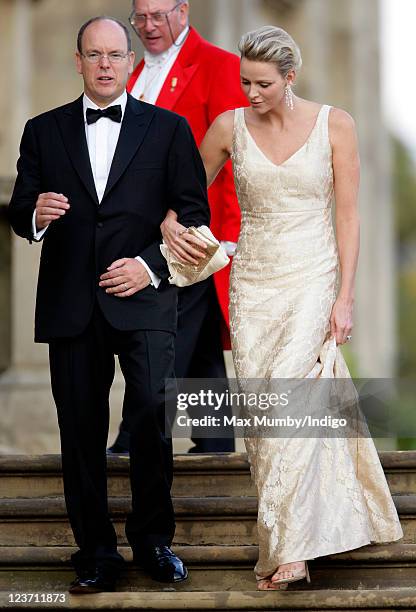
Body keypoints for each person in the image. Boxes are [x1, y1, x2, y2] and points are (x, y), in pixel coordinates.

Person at [159, 25, 404, 590]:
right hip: (254, 282)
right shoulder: (228, 127)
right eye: (245, 81)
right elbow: (188, 193)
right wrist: (173, 219)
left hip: (313, 275)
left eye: (264, 83)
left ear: (290, 77)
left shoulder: (335, 124)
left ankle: (291, 550)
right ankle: (295, 533)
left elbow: (348, 215)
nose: (252, 93)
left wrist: (345, 296)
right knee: (267, 414)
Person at [8, 16, 210, 593]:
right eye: (93, 54)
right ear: (78, 61)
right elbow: (21, 209)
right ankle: (96, 552)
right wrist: (35, 216)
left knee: (150, 409)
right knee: (79, 428)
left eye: (115, 54)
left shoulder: (169, 130)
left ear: (129, 62)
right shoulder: (41, 130)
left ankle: (153, 541)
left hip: (145, 296)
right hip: (71, 302)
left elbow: (193, 213)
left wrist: (148, 265)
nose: (104, 63)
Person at [108, 0, 248, 454]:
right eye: (140, 18)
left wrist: (227, 235)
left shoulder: (219, 66)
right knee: (199, 341)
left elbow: (234, 157)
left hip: (193, 235)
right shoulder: (130, 73)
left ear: (183, 11)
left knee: (162, 335)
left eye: (159, 16)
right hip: (146, 235)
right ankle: (215, 443)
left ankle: (135, 437)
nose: (149, 27)